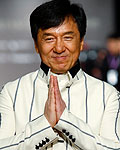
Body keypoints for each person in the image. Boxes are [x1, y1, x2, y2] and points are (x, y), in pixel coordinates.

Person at [0, 0, 120, 149]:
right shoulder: (11, 93)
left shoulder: (107, 95)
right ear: (36, 45)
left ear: (81, 42)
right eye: (49, 38)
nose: (58, 48)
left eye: (67, 37)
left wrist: (66, 121)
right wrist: (44, 126)